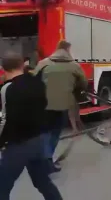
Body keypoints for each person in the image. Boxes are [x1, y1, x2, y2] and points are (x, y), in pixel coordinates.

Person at [0, 52, 64, 200]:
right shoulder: (38, 83)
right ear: (22, 65)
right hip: (38, 141)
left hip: (17, 146)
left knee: (2, 187)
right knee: (42, 182)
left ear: (3, 68)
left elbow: (5, 119)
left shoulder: (7, 89)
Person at [34, 40, 87, 173]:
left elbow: (33, 80)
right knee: (55, 132)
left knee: (45, 132)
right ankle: (47, 159)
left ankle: (45, 159)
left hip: (42, 105)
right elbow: (83, 84)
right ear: (68, 50)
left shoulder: (43, 63)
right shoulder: (74, 66)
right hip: (63, 104)